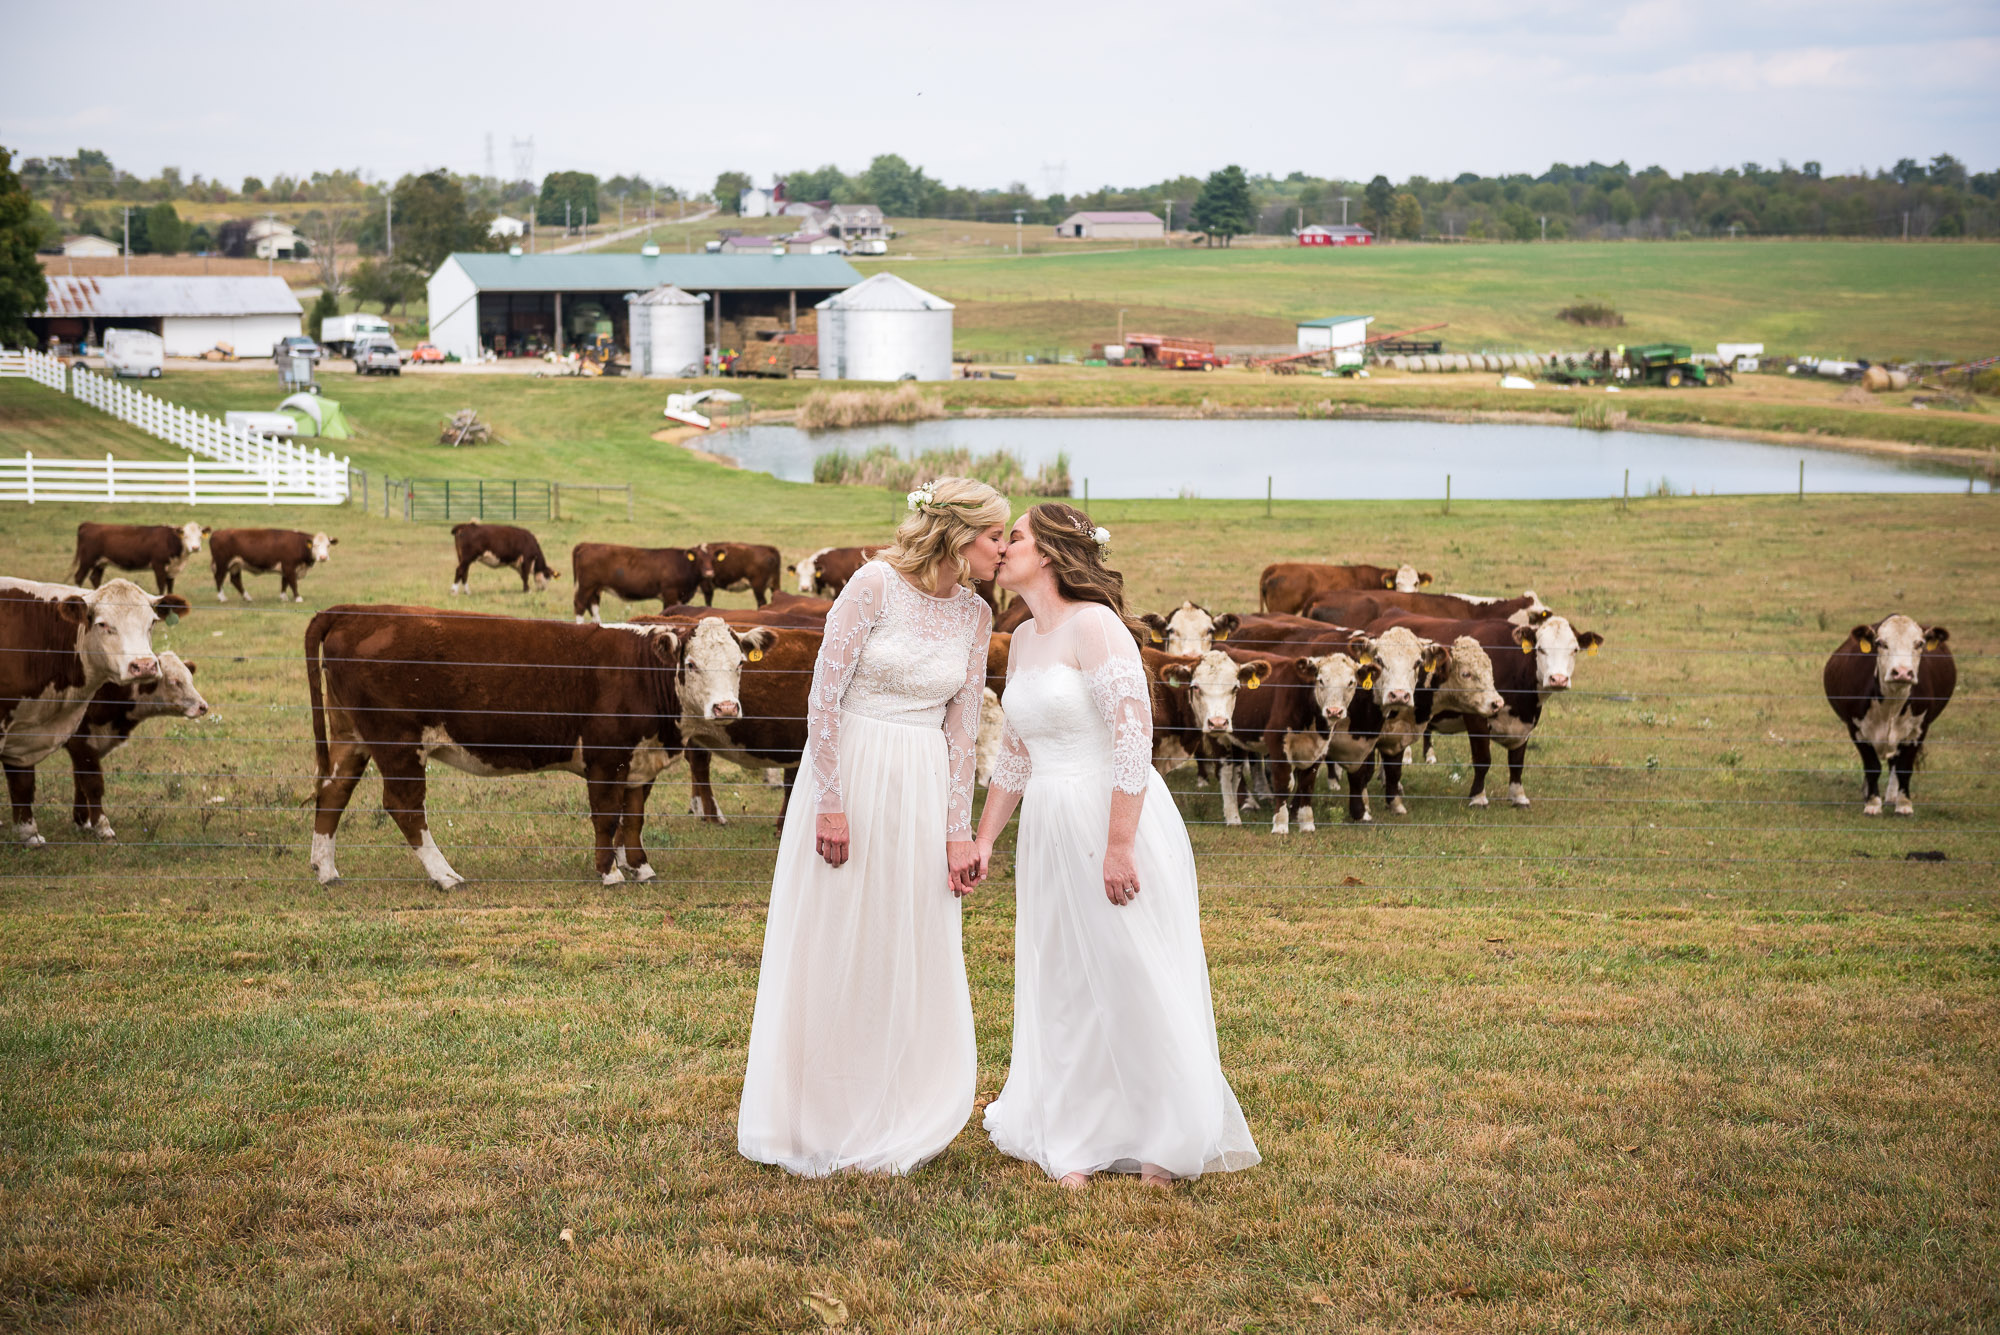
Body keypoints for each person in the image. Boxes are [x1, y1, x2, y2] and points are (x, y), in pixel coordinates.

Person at [968, 502, 1259, 1190]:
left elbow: (1134, 734)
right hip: (1049, 828)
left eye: (1016, 537)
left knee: (1133, 972)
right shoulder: (1024, 637)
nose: (1003, 548)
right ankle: (1077, 1137)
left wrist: (1119, 844)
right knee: (1065, 979)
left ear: (1050, 553)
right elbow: (1015, 752)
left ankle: (1164, 1139)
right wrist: (984, 839)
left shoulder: (1095, 626)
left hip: (1112, 817)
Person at [737, 477, 1008, 1176]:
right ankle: (817, 1111)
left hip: (922, 780)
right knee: (835, 934)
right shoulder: (873, 584)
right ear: (956, 535)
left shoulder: (977, 614)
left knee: (903, 936)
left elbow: (962, 726)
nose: (1004, 550)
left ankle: (895, 1104)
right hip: (851, 771)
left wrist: (957, 830)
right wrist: (829, 801)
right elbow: (823, 697)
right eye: (994, 536)